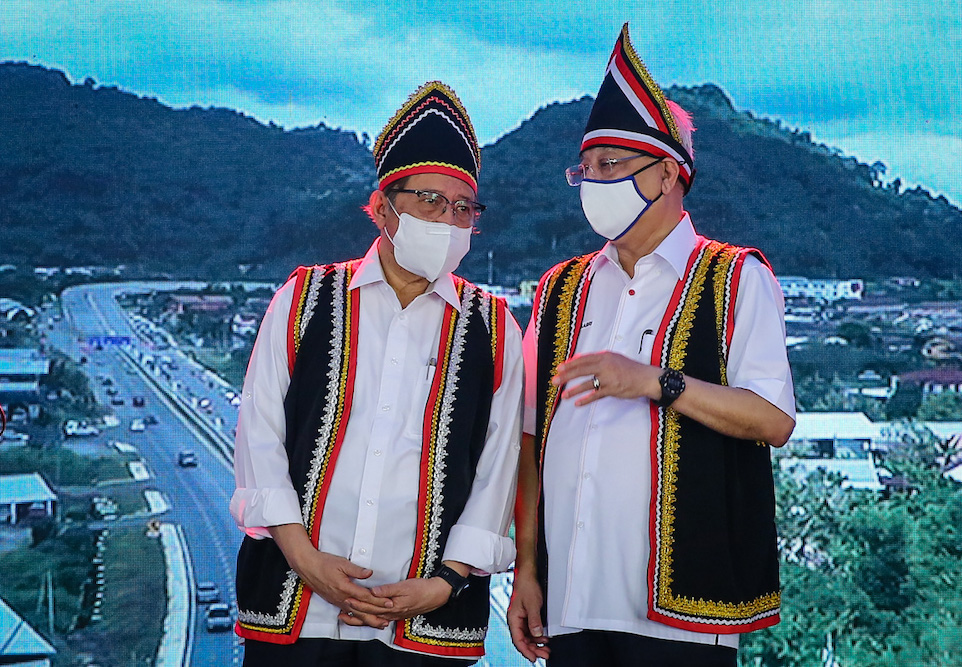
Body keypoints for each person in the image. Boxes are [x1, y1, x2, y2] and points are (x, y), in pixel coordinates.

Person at [507, 24, 796, 667]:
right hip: (573, 605)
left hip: (684, 618)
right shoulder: (560, 290)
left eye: (609, 166)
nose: (591, 183)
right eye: (582, 170)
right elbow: (530, 440)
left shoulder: (733, 276)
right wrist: (527, 569)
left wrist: (653, 381)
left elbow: (773, 419)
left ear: (668, 174)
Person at [230, 81, 524, 667]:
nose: (449, 219)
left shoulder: (494, 327)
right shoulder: (304, 299)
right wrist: (310, 564)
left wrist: (445, 583)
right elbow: (259, 438)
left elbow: (498, 473)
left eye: (463, 206)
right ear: (384, 206)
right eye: (430, 201)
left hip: (425, 623)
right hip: (296, 609)